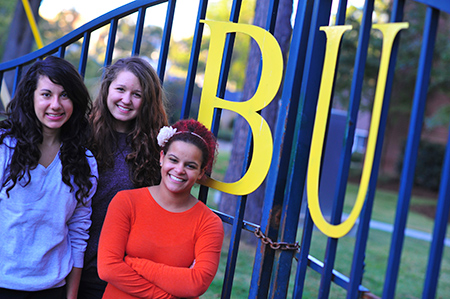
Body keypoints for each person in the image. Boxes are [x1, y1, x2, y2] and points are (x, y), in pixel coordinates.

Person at [0, 56, 98, 299]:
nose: (56, 104)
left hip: (52, 289)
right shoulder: (5, 147)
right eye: (46, 94)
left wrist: (71, 295)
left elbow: (78, 231)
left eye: (65, 95)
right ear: (31, 97)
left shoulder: (84, 162)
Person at [98, 119, 224, 299]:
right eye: (173, 160)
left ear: (201, 173)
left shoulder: (209, 223)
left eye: (190, 166)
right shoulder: (126, 202)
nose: (179, 170)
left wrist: (137, 265)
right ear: (162, 158)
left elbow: (196, 284)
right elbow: (108, 268)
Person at [79, 57, 168, 298]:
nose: (126, 100)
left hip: (120, 272)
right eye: (120, 89)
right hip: (71, 264)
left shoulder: (156, 148)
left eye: (137, 94)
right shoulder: (80, 135)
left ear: (147, 100)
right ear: (107, 88)